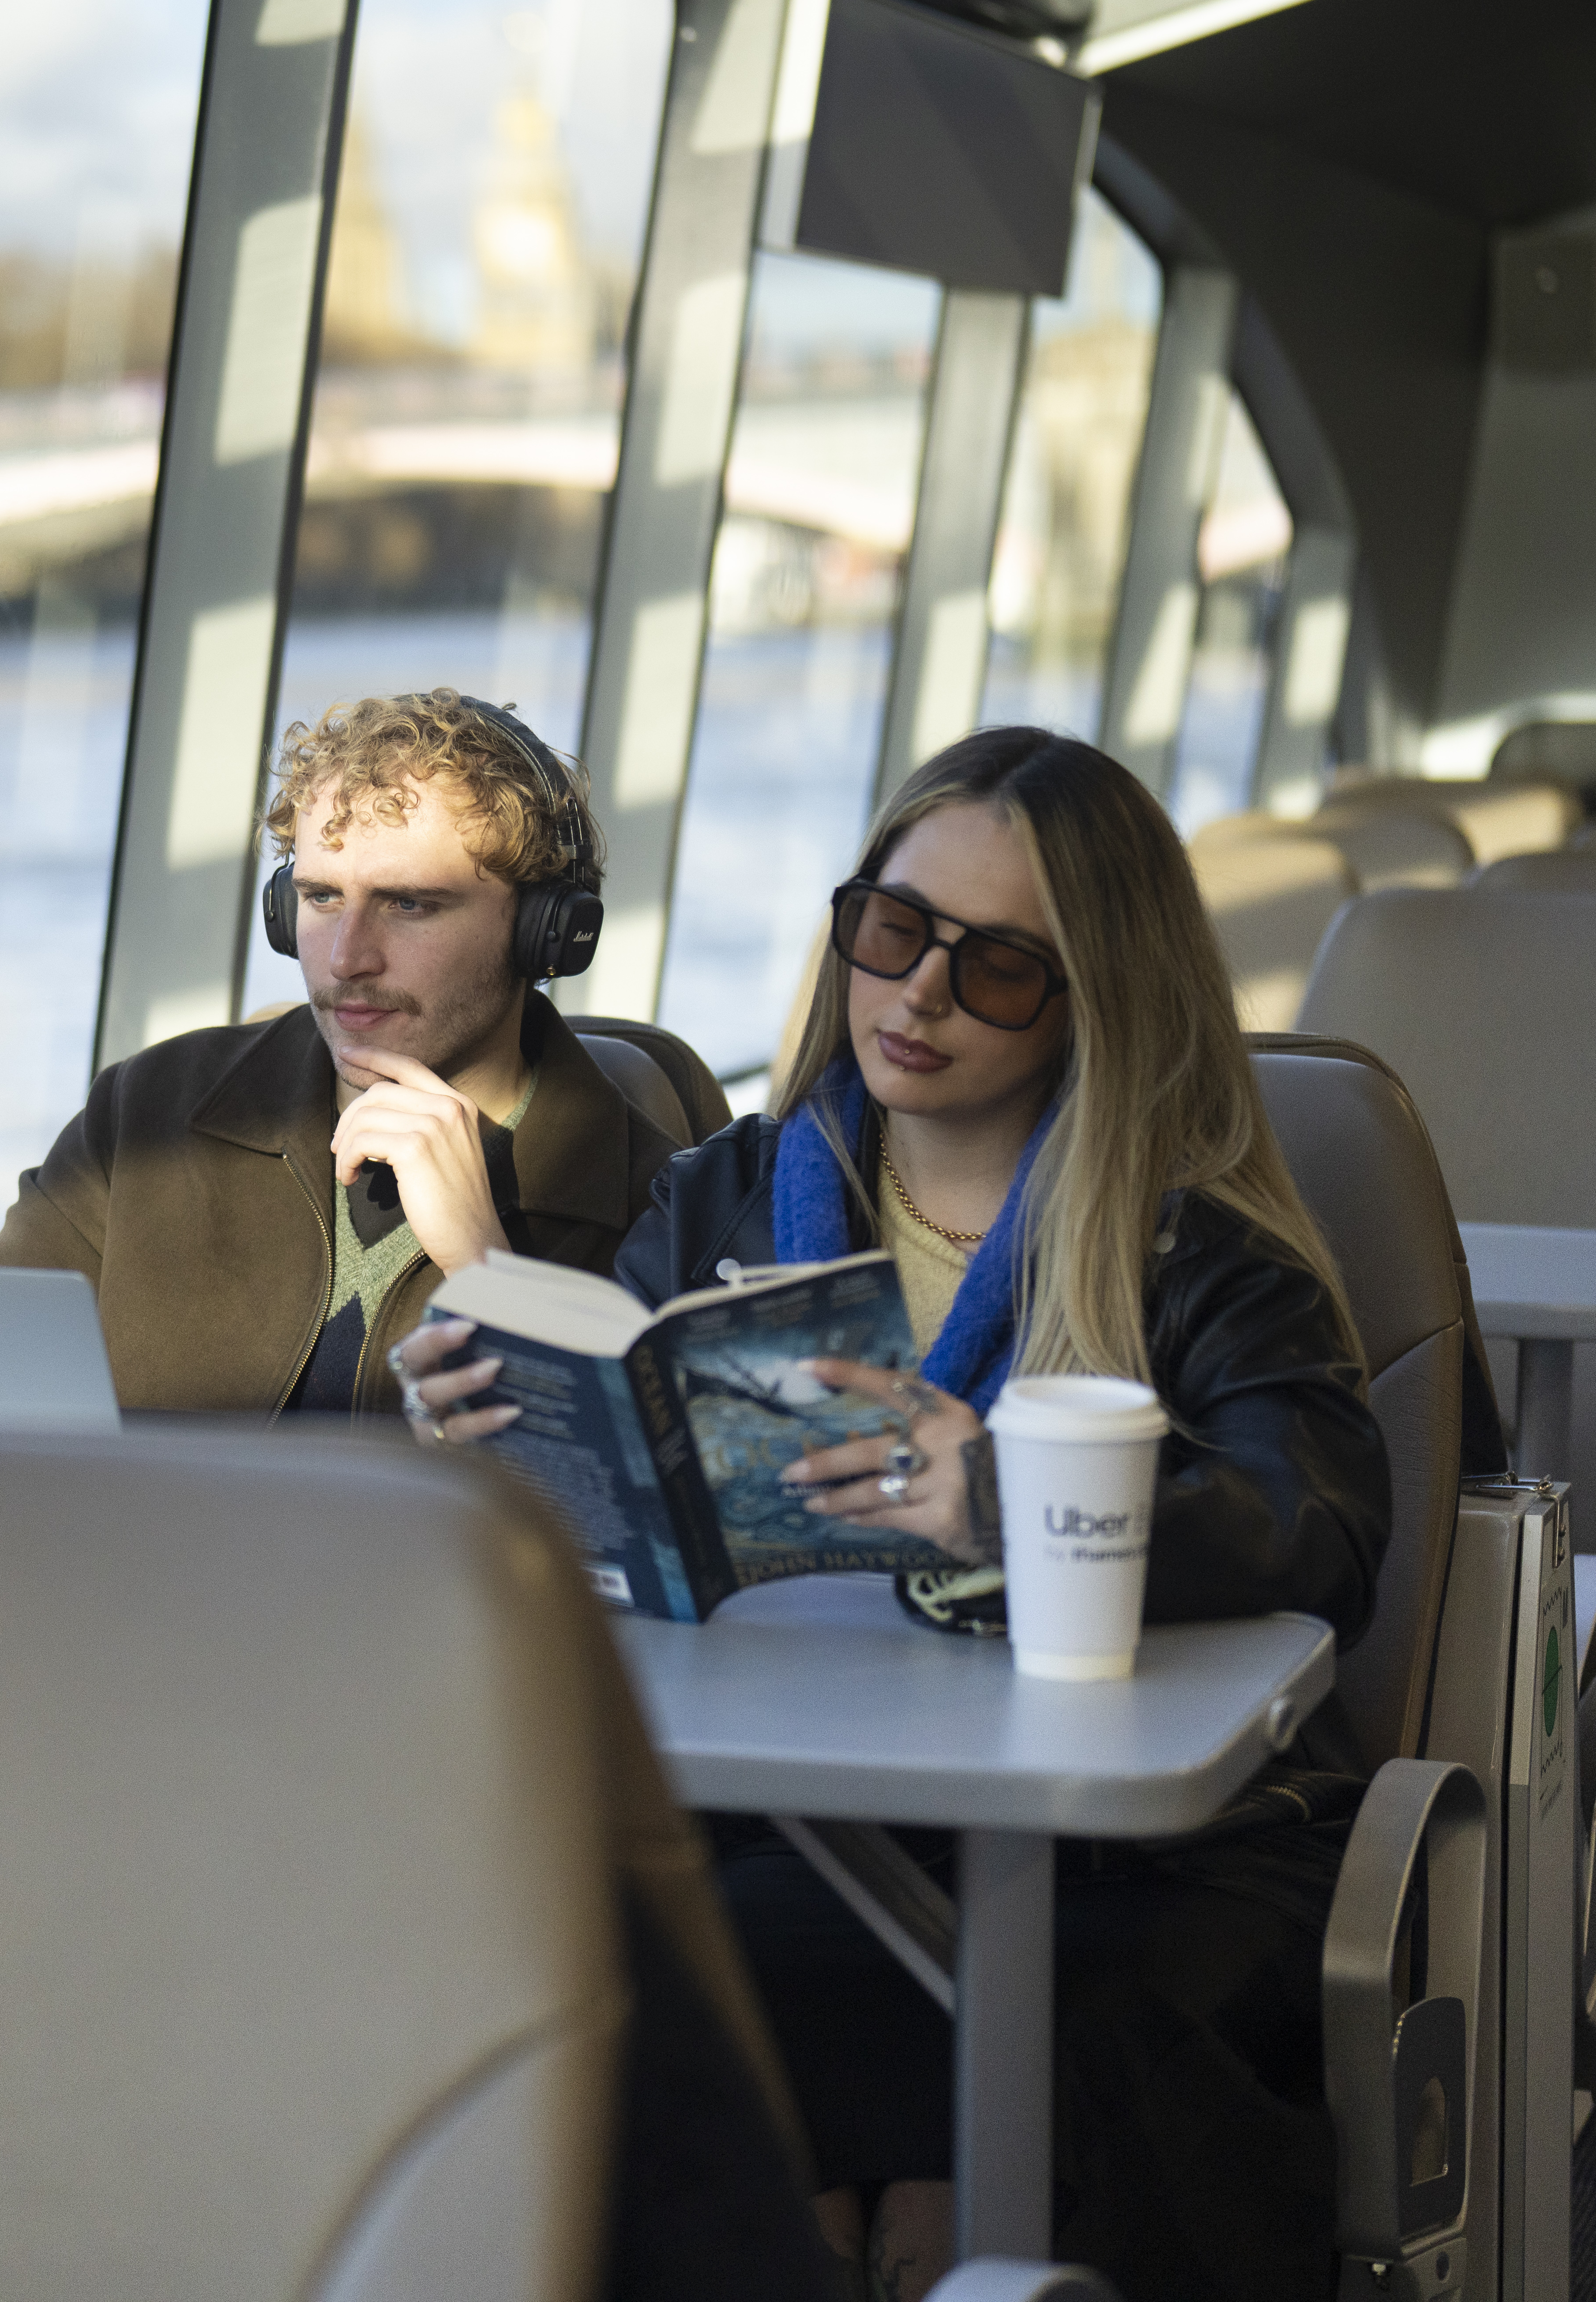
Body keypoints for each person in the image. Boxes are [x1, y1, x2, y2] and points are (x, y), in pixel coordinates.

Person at [400, 726, 1389, 2302]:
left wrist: (1006, 1502)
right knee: (607, 1983)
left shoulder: (1193, 1249)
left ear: (1098, 1003)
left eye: (999, 969)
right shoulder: (722, 1197)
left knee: (1024, 2072)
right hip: (800, 1810)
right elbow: (630, 1494)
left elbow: (1317, 1525)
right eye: (895, 931)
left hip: (1143, 1857)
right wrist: (513, 1439)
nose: (918, 994)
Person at [0, 690, 682, 1416]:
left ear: (545, 932)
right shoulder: (147, 1114)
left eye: (410, 904)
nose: (346, 960)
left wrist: (486, 1266)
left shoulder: (662, 1212)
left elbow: (644, 1508)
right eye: (321, 898)